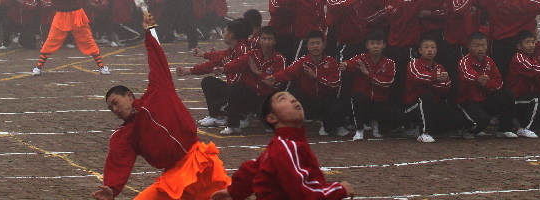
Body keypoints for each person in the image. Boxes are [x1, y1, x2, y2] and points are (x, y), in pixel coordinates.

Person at [93, 14, 230, 200]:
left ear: (129, 96)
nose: (115, 110)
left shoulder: (158, 92)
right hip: (173, 177)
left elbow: (157, 61)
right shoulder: (123, 135)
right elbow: (118, 162)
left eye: (115, 103)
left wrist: (149, 32)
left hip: (199, 162)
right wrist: (111, 188)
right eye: (111, 109)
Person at [213, 91, 354, 200]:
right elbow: (301, 190)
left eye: (293, 97)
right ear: (271, 118)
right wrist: (339, 189)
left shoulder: (284, 143)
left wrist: (234, 192)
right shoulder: (287, 147)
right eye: (282, 99)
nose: (293, 99)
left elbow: (253, 168)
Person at [31, 0, 109, 75]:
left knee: (88, 40)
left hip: (76, 14)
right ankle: (38, 68)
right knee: (51, 41)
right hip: (61, 15)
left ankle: (102, 67)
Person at [340, 29, 403, 141]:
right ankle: (359, 129)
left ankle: (376, 123)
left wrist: (368, 74)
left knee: (397, 117)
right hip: (364, 102)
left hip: (380, 102)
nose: (375, 46)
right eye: (372, 43)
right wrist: (345, 65)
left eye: (378, 43)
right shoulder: (361, 59)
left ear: (384, 45)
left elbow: (387, 83)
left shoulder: (390, 63)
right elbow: (351, 63)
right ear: (367, 45)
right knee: (358, 97)